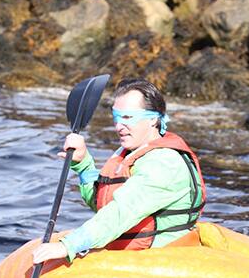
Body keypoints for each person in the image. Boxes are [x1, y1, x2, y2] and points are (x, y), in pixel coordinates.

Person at [32, 79, 206, 265]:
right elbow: (103, 204)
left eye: (128, 117)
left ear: (153, 119)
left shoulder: (165, 163)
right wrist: (83, 165)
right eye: (116, 117)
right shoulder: (132, 153)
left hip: (164, 260)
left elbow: (121, 213)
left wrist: (69, 245)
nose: (118, 126)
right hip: (132, 255)